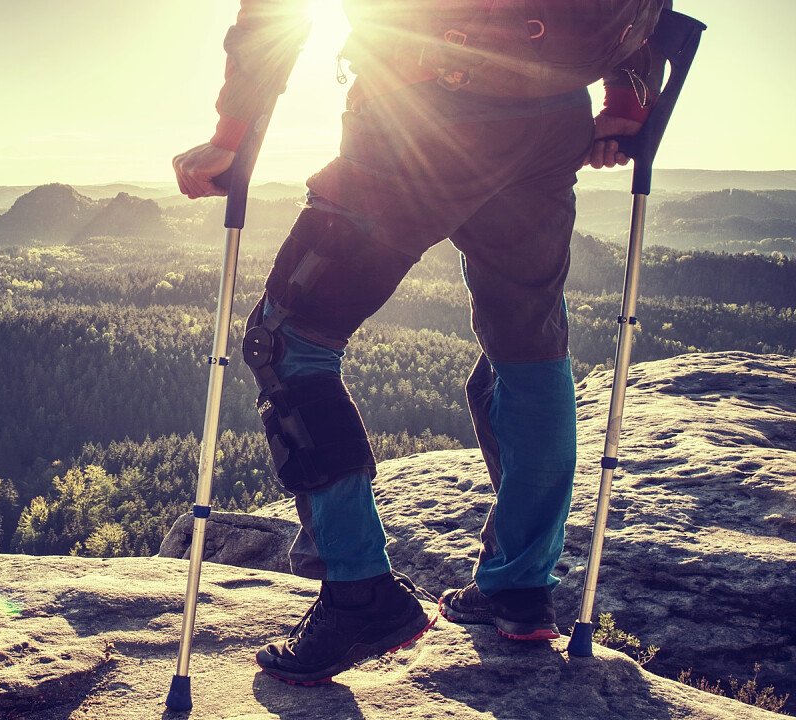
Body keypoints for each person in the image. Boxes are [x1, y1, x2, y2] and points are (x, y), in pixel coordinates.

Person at [173, 0, 670, 686]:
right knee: (527, 346)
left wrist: (232, 131)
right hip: (552, 117)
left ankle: (358, 592)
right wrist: (625, 93)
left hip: (424, 113)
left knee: (288, 342)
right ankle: (519, 587)